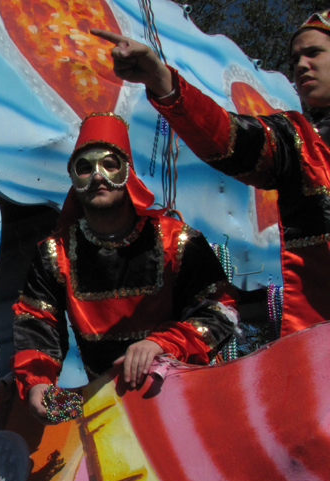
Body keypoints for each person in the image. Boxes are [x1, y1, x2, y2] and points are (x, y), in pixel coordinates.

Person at [92, 10, 330, 337]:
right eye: (295, 59)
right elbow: (229, 138)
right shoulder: (299, 141)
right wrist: (162, 81)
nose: (301, 65)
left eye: (314, 52)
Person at [11, 112, 237, 422]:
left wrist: (162, 343)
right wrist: (36, 384)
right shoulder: (54, 253)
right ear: (74, 179)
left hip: (189, 405)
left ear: (126, 172)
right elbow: (37, 323)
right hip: (112, 413)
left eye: (110, 165)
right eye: (85, 168)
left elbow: (221, 311)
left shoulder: (178, 240)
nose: (98, 176)